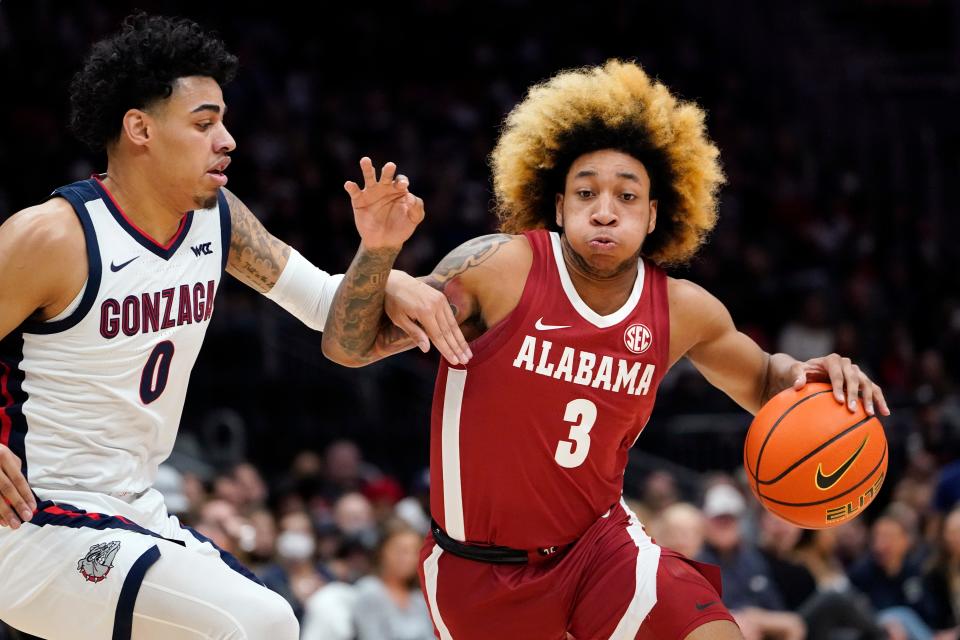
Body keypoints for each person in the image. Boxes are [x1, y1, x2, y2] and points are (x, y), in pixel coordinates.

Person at [322, 60, 889, 639]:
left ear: (653, 216)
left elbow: (769, 380)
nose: (604, 209)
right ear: (559, 206)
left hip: (599, 550)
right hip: (478, 568)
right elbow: (347, 348)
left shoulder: (684, 309)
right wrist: (378, 258)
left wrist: (817, 377)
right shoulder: (500, 269)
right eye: (585, 192)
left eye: (626, 195)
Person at [0, 12, 468, 640]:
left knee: (273, 616)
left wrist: (379, 259)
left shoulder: (218, 220)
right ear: (139, 128)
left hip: (136, 513)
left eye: (222, 120)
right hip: (31, 522)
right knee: (260, 623)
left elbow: (332, 313)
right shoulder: (54, 235)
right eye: (203, 123)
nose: (228, 139)